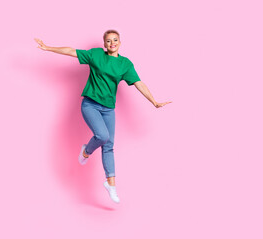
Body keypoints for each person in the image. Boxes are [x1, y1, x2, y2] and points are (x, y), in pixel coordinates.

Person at [34, 29, 172, 203]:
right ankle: (86, 151)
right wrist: (48, 47)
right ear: (104, 44)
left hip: (108, 109)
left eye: (115, 40)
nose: (112, 43)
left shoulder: (125, 64)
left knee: (109, 146)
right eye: (108, 41)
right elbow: (72, 51)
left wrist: (154, 101)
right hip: (90, 105)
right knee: (103, 136)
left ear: (120, 43)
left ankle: (110, 185)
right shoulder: (97, 55)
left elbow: (139, 83)